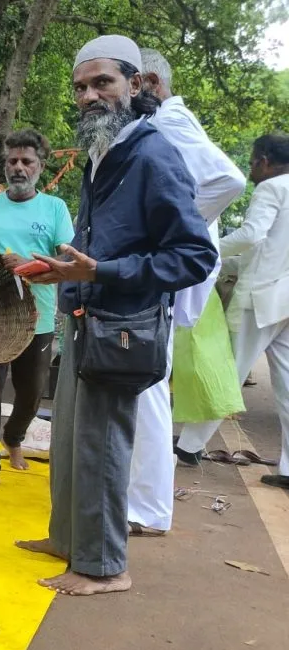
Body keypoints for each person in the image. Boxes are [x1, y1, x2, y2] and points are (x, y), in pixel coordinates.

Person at [16, 35, 216, 595]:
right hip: (85, 316)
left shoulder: (153, 153)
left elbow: (193, 256)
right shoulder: (101, 152)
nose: (89, 95)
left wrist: (101, 274)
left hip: (122, 328)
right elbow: (93, 244)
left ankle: (104, 567)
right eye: (81, 86)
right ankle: (66, 538)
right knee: (69, 440)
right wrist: (54, 268)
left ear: (136, 85)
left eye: (102, 82)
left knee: (103, 445)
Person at [123, 49, 246, 534]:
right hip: (173, 270)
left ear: (147, 81)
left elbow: (227, 180)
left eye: (126, 83)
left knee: (148, 380)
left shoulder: (169, 120)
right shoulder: (162, 123)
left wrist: (173, 232)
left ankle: (148, 508)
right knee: (146, 379)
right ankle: (142, 499)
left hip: (171, 272)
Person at [0, 129, 74, 491]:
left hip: (37, 317)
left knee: (30, 393)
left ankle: (14, 436)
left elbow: (67, 260)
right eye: (12, 161)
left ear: (40, 166)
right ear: (4, 165)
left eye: (26, 161)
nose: (18, 168)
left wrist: (30, 265)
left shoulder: (54, 208)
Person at [176, 133, 289, 484]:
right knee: (287, 386)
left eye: (254, 161)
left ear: (265, 161)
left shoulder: (271, 189)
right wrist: (223, 265)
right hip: (284, 298)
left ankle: (190, 446)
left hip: (260, 299)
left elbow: (253, 235)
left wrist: (205, 250)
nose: (251, 168)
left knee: (226, 373)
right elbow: (268, 249)